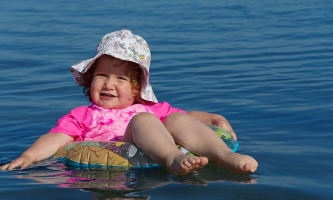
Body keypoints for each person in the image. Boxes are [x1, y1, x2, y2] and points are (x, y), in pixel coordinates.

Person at [0, 29, 258, 175]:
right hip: (119, 165)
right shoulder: (83, 115)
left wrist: (214, 119)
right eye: (101, 75)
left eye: (120, 78)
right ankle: (171, 158)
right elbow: (56, 138)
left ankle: (223, 156)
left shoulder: (149, 108)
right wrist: (28, 156)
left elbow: (185, 115)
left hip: (145, 146)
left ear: (137, 88)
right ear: (89, 79)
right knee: (143, 120)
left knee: (175, 119)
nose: (109, 84)